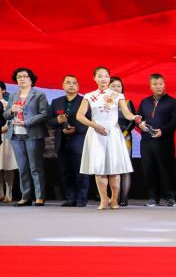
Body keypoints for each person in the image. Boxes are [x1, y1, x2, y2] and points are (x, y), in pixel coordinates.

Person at [75, 67, 139, 210]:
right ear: (94, 78)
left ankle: (114, 199)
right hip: (96, 134)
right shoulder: (89, 96)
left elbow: (127, 114)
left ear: (109, 78)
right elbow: (79, 116)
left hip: (113, 133)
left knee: (114, 169)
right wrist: (93, 125)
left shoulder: (118, 95)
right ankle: (104, 199)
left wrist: (134, 117)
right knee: (99, 169)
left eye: (106, 76)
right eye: (100, 76)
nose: (103, 79)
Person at [3, 68, 49, 206]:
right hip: (16, 134)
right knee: (22, 168)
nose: (21, 79)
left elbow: (44, 114)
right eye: (19, 77)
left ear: (31, 79)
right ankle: (26, 196)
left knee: (35, 167)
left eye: (24, 76)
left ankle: (40, 196)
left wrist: (26, 122)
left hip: (33, 134)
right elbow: (6, 115)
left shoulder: (39, 94)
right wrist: (11, 110)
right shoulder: (13, 95)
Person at [135, 73, 176, 207]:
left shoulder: (173, 102)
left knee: (167, 169)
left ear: (164, 84)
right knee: (148, 169)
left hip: (164, 141)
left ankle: (171, 196)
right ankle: (153, 197)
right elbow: (138, 118)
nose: (158, 86)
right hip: (146, 142)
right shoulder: (145, 102)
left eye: (160, 84)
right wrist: (140, 124)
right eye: (155, 84)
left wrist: (163, 130)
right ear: (150, 86)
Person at [48, 75, 90, 207]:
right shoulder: (56, 102)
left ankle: (81, 199)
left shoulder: (85, 101)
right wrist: (57, 121)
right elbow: (49, 121)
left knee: (81, 172)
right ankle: (70, 198)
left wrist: (76, 129)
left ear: (78, 86)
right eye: (68, 83)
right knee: (66, 173)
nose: (71, 85)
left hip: (79, 140)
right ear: (63, 85)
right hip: (61, 141)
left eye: (74, 83)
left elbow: (91, 121)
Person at [108, 76, 137, 206]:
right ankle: (113, 197)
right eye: (113, 86)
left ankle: (124, 199)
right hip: (108, 138)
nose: (116, 88)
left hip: (124, 138)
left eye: (119, 86)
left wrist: (125, 133)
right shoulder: (103, 103)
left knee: (125, 168)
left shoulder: (127, 102)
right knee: (111, 169)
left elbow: (132, 121)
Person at [0, 82, 18, 203]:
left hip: (6, 137)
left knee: (7, 165)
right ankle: (0, 192)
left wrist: (3, 129)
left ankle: (9, 192)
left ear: (3, 90)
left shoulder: (8, 104)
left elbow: (12, 120)